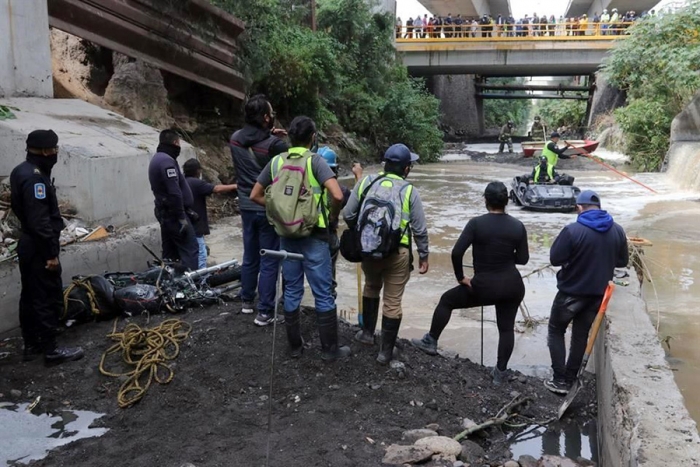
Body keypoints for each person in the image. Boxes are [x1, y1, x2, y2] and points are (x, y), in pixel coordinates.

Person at [250, 116, 349, 361]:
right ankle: (329, 351)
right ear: (312, 138)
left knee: (292, 289)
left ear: (290, 137)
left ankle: (295, 347)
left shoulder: (275, 162)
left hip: (286, 235)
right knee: (323, 292)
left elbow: (255, 195)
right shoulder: (315, 161)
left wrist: (281, 214)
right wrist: (333, 217)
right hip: (315, 234)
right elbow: (337, 195)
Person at [412, 181, 529, 385]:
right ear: (507, 201)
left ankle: (431, 341)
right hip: (513, 286)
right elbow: (523, 259)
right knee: (506, 328)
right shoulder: (518, 226)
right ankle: (500, 372)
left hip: (483, 286)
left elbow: (457, 252)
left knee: (447, 300)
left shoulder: (476, 223)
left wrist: (460, 277)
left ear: (485, 200)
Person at [344, 144, 430, 364]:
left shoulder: (366, 181)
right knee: (392, 301)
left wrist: (364, 234)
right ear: (406, 168)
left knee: (371, 286)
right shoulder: (409, 190)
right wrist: (424, 255)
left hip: (368, 249)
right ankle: (385, 353)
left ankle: (366, 334)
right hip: (397, 253)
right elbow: (419, 229)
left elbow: (348, 213)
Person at [10, 130, 84, 365]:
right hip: (39, 245)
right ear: (44, 151)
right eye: (54, 149)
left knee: (30, 295)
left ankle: (32, 343)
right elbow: (39, 220)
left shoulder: (21, 170)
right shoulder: (34, 178)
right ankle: (51, 350)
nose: (56, 153)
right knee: (45, 295)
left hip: (30, 243)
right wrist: (51, 253)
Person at [544, 191, 628, 394]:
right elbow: (622, 262)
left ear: (579, 208)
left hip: (570, 294)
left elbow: (555, 259)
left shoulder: (573, 230)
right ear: (599, 207)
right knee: (580, 335)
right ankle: (570, 379)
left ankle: (559, 380)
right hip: (597, 296)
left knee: (556, 330)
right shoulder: (617, 230)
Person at [230, 95, 289, 324]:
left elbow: (251, 142)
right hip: (267, 206)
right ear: (266, 117)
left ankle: (247, 301)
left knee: (250, 254)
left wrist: (268, 134)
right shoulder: (276, 146)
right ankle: (264, 311)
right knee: (270, 259)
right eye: (270, 113)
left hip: (245, 205)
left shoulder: (235, 139)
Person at [149, 129, 199, 271]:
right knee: (191, 249)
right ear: (175, 142)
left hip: (166, 212)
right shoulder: (166, 161)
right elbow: (175, 192)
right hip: (174, 215)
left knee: (170, 254)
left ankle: (170, 286)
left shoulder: (158, 158)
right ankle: (192, 287)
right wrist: (181, 216)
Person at [317, 147, 363, 298]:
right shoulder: (340, 191)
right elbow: (358, 206)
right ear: (334, 170)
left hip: (302, 231)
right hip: (327, 234)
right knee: (328, 276)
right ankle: (328, 304)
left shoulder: (305, 185)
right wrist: (359, 178)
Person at [183, 158, 238, 270]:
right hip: (195, 224)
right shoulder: (197, 183)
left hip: (184, 223)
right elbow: (216, 189)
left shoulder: (182, 181)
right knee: (201, 254)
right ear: (198, 171)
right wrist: (236, 186)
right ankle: (200, 280)